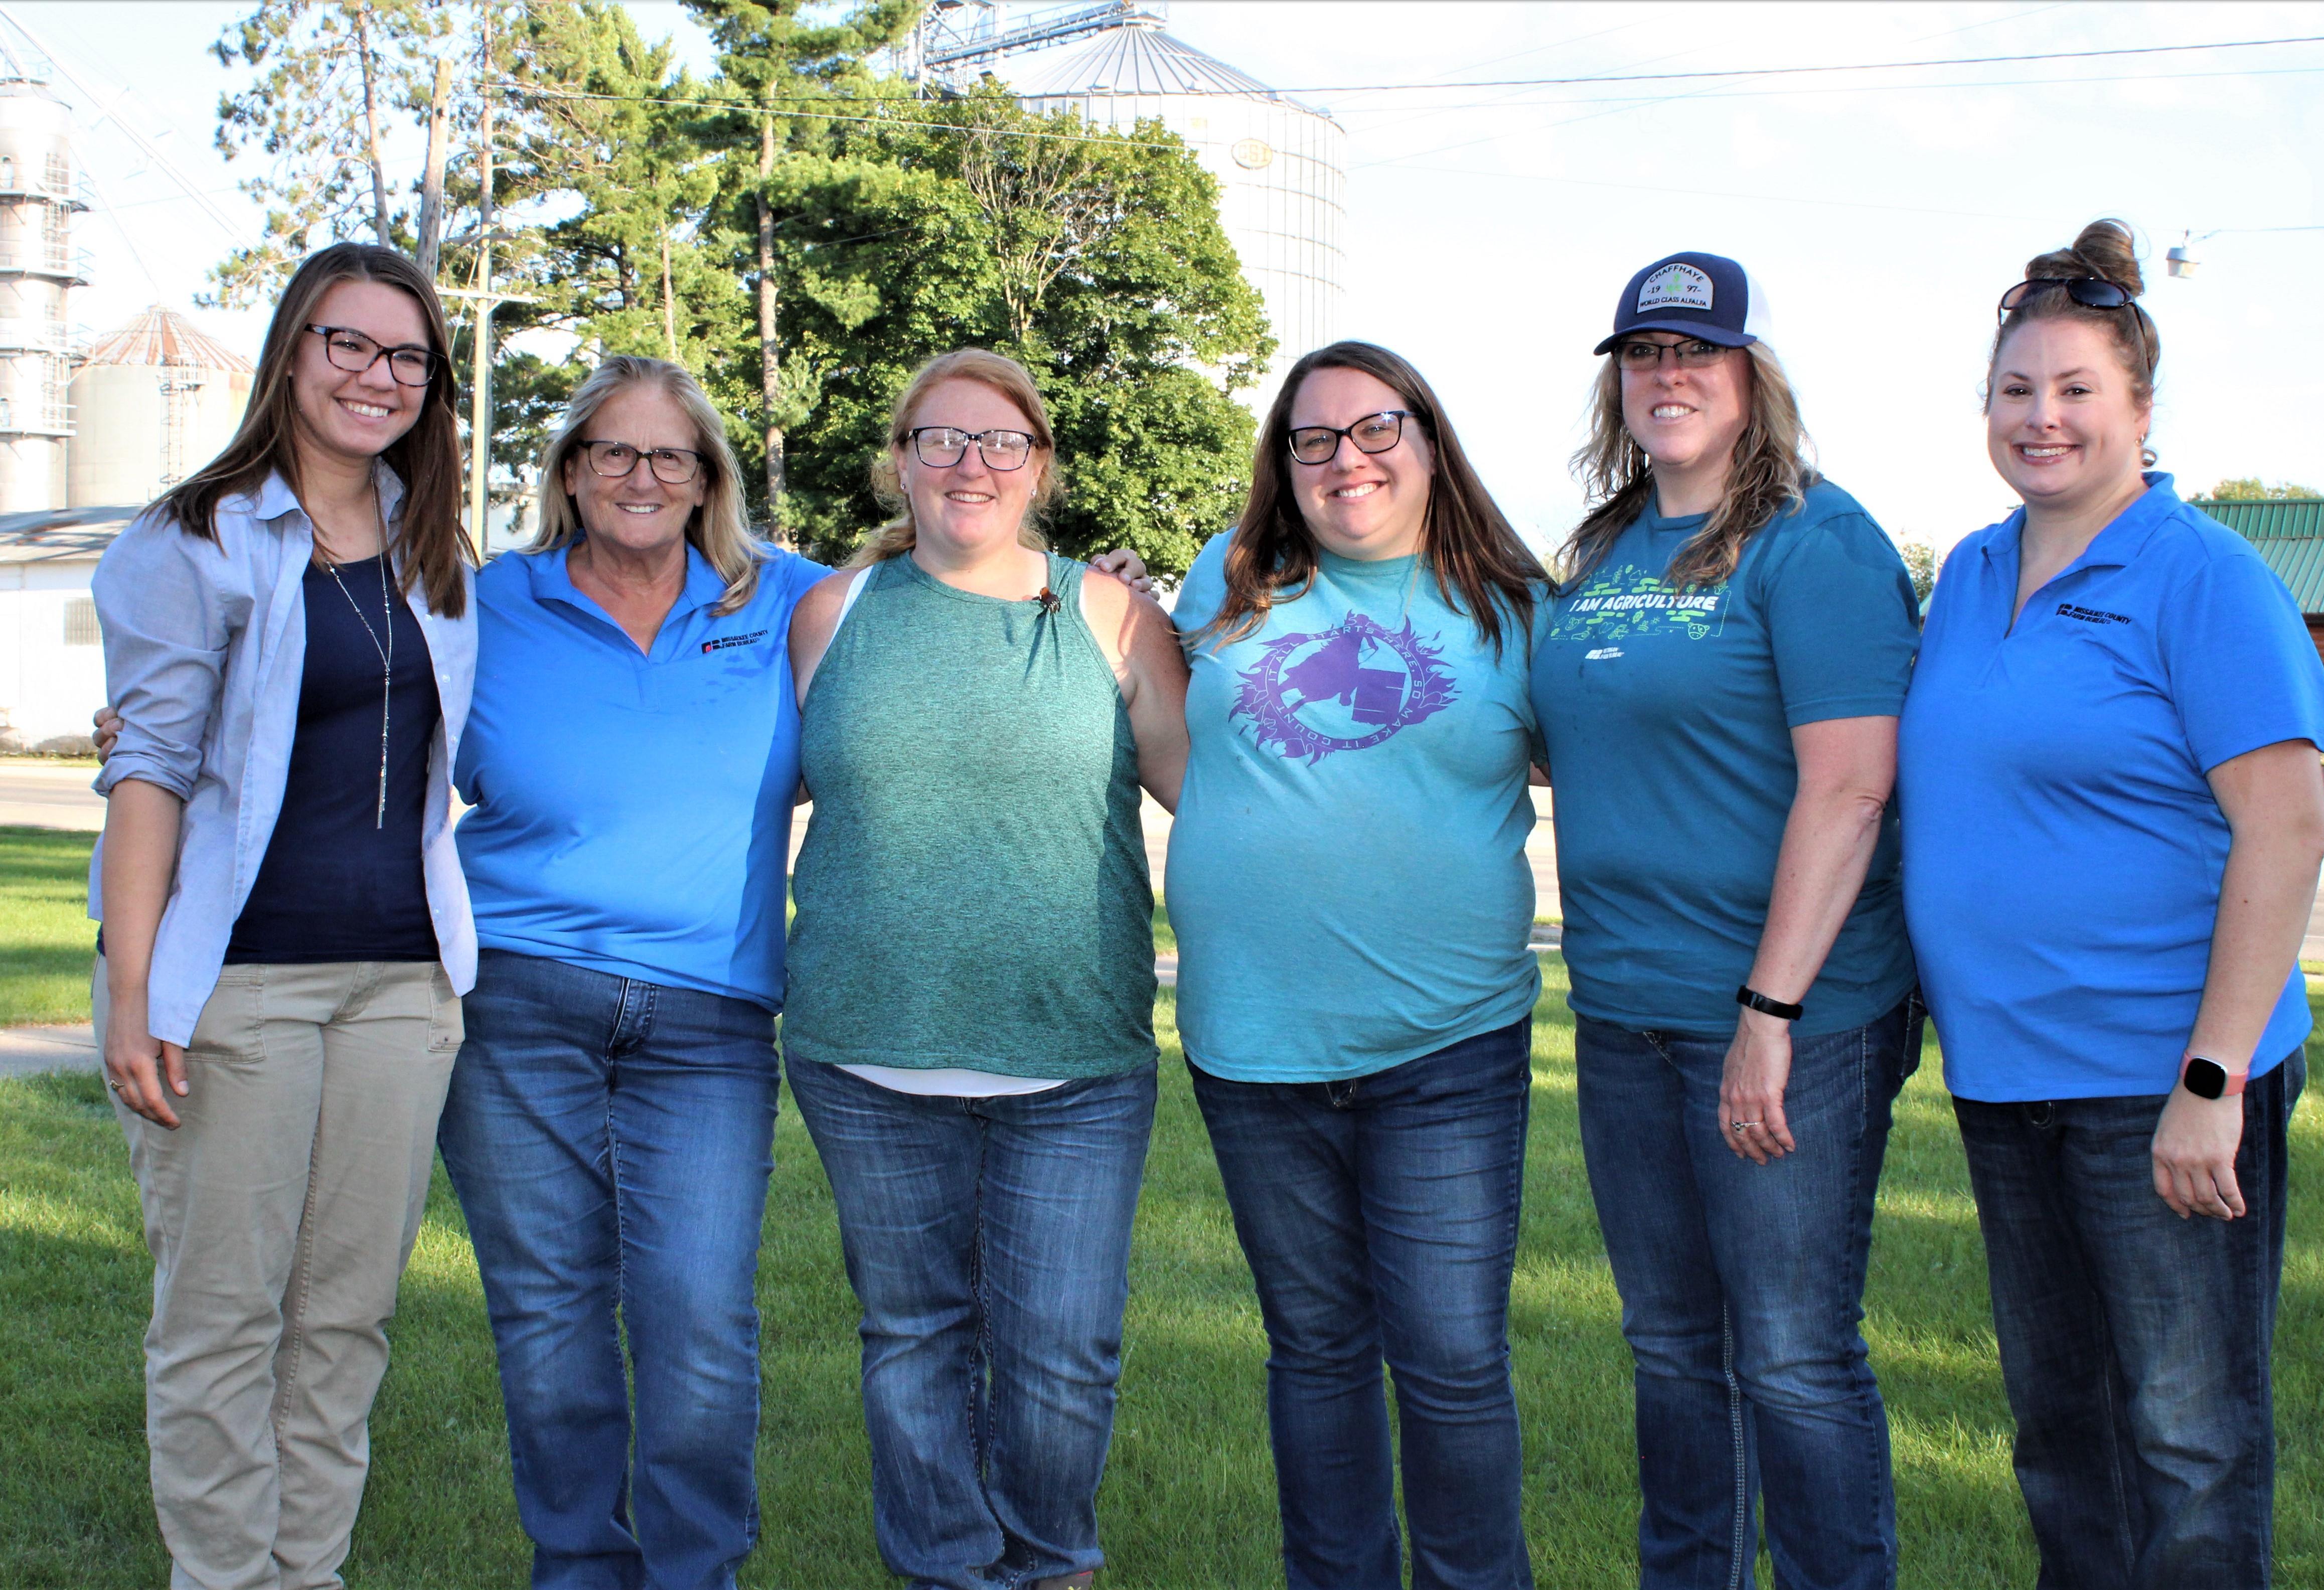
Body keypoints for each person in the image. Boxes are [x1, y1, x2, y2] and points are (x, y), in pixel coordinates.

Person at [1899, 220, 2324, 1590]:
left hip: (2163, 1081)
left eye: (2076, 389)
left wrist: (2209, 1077)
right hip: (2006, 1075)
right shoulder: (1966, 575)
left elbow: (2287, 829)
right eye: (2016, 390)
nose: (2043, 418)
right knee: (2058, 1427)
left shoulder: (2202, 579)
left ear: (2139, 409)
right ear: (1983, 408)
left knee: (2188, 1438)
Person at [1529, 253, 1924, 1589]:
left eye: (1695, 353)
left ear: (1749, 377)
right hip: (1625, 1014)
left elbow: (1853, 786)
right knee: (1668, 1349)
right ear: (1617, 383)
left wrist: (1767, 1015)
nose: (1667, 375)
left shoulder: (1814, 542)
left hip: (1780, 1023)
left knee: (1792, 1354)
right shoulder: (1602, 550)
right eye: (1643, 355)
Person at [87, 241, 477, 1589]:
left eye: (407, 357)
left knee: (344, 1323)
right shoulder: (193, 537)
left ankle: (304, 1577)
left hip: (400, 991)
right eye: (348, 344)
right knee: (219, 1324)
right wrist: (134, 995)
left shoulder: (436, 549)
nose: (378, 375)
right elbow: (145, 776)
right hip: (237, 986)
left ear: (433, 386)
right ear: (292, 355)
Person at [778, 348, 1188, 1590]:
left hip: (1072, 1054)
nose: (970, 463)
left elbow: (1208, 792)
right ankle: (946, 1569)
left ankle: (1052, 1560)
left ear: (1040, 468)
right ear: (898, 461)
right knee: (912, 1339)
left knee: (1062, 1351)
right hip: (865, 1046)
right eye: (940, 439)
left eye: (1000, 442)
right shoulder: (831, 614)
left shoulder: (1113, 615)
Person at [1165, 341, 1547, 1590]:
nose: (1346, 459)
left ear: (1430, 439)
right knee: (1315, 1353)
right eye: (1312, 438)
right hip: (1251, 1044)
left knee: (1447, 1361)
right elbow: (1142, 720)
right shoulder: (1223, 588)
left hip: (1446, 1046)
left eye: (1375, 428)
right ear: (1283, 463)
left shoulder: (1512, 612)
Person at [432, 355, 818, 1589]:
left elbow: (950, 604)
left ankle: (695, 1572)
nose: (641, 477)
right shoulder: (487, 603)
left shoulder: (787, 601)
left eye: (670, 456)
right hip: (515, 1004)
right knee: (547, 1311)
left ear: (709, 478)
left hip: (708, 1021)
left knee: (697, 1315)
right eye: (613, 453)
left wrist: (1112, 599)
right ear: (569, 473)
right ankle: (579, 1567)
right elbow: (329, 682)